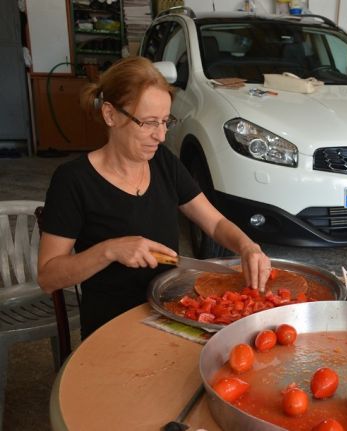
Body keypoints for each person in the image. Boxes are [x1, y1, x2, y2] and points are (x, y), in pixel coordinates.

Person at [37, 57, 271, 339]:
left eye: (165, 122)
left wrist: (247, 247)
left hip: (170, 314)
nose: (160, 136)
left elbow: (215, 223)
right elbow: (48, 277)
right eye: (148, 123)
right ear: (110, 115)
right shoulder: (73, 181)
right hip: (112, 328)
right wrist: (109, 250)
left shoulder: (163, 162)